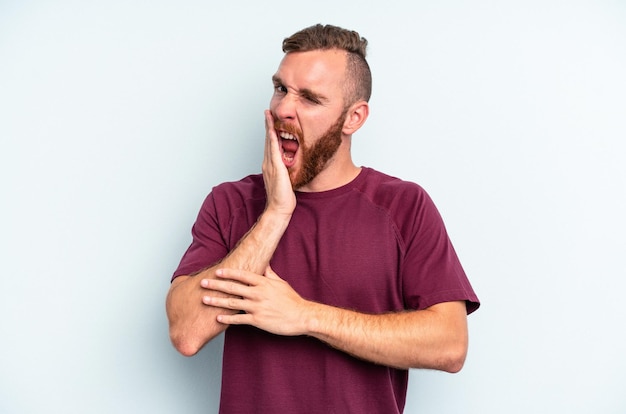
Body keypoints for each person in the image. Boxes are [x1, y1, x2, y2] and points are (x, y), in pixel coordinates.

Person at [166, 24, 480, 414]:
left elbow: (450, 346)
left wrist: (305, 316)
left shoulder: (404, 206)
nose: (283, 109)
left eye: (310, 98)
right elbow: (187, 332)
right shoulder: (229, 203)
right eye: (281, 88)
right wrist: (276, 213)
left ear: (353, 118)